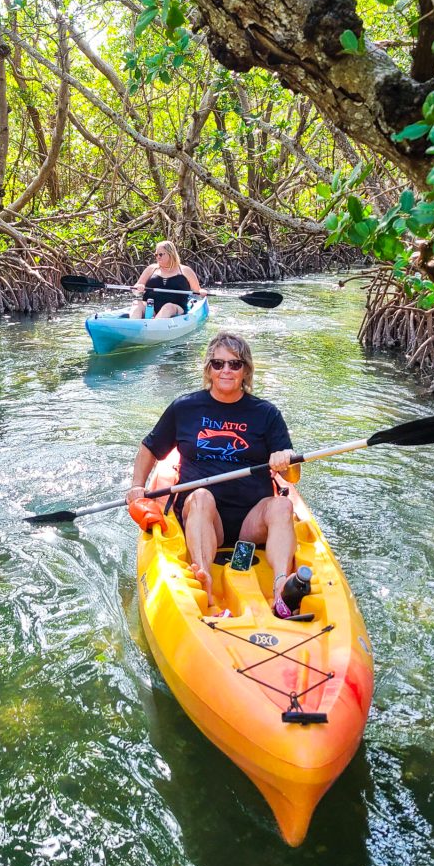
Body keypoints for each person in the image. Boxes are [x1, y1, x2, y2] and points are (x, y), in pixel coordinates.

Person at [126, 331, 300, 617]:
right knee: (202, 496)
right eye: (218, 364)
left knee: (282, 504)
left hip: (251, 521)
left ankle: (282, 586)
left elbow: (292, 478)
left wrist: (287, 461)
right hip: (204, 517)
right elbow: (149, 448)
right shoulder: (185, 407)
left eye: (235, 364)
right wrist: (136, 486)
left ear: (246, 369)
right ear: (208, 369)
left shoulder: (266, 414)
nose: (226, 370)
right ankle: (203, 577)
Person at [128, 240, 207, 320]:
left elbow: (197, 291)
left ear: (171, 254)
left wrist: (201, 292)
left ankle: (155, 326)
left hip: (175, 308)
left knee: (168, 307)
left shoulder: (185, 271)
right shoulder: (151, 269)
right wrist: (138, 288)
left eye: (161, 254)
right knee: (136, 303)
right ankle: (132, 327)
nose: (158, 257)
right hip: (150, 307)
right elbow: (135, 290)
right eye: (156, 255)